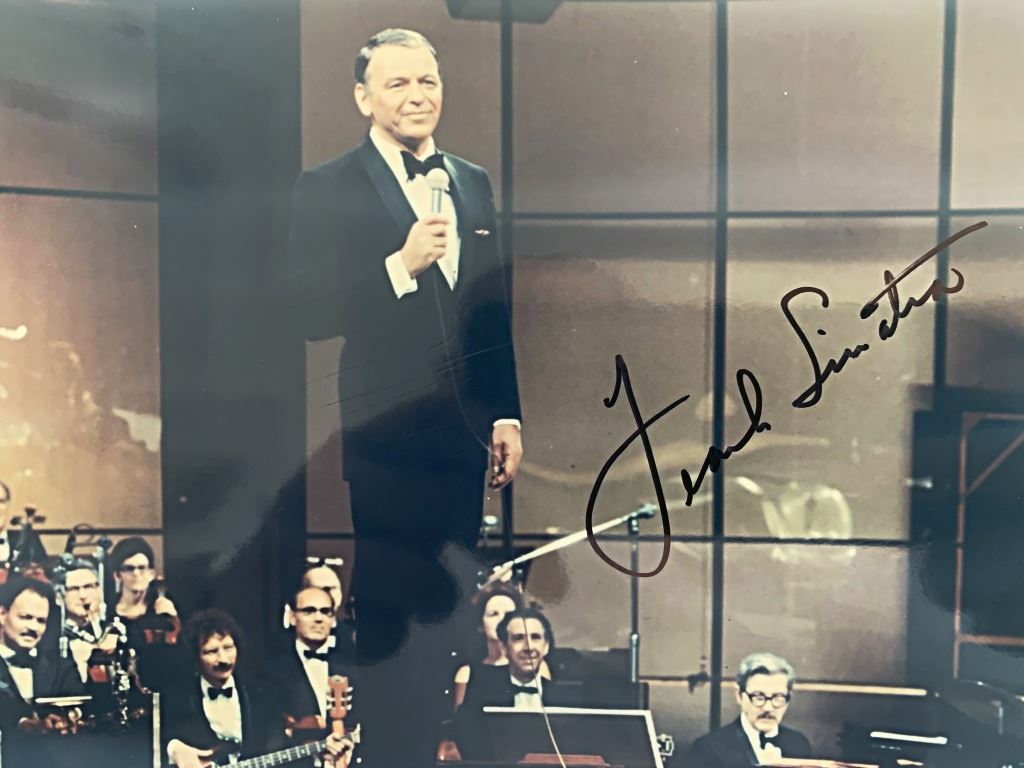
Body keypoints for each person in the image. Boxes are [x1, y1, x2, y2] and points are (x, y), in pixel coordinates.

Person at [287, 27, 524, 768]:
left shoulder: (472, 181)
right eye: (398, 84)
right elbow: (307, 311)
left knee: (448, 625)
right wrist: (399, 265)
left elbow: (490, 310)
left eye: (427, 81)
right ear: (363, 98)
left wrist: (507, 412)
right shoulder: (327, 186)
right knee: (391, 622)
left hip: (462, 440)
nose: (417, 97)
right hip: (386, 442)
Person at [454, 607, 575, 760]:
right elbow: (466, 738)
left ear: (546, 646)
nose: (529, 647)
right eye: (518, 638)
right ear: (504, 648)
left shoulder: (566, 696)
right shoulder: (481, 688)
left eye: (535, 637)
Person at [267, 586, 359, 766]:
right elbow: (270, 735)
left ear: (333, 620)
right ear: (292, 617)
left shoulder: (352, 665)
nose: (318, 618)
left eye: (325, 612)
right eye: (309, 611)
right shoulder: (272, 671)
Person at [0, 576, 85, 761]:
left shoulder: (61, 667)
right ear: (2, 614)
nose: (33, 627)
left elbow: (81, 701)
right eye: (25, 617)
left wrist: (70, 716)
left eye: (41, 621)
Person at [688, 652, 812, 767]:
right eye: (758, 697)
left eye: (778, 697)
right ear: (739, 695)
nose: (768, 707)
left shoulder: (799, 744)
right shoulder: (708, 749)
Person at [107, 536, 182, 690]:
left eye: (142, 568)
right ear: (117, 575)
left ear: (151, 573)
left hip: (157, 686)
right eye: (129, 568)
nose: (136, 574)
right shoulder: (107, 611)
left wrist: (174, 619)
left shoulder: (162, 610)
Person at [301, 561, 355, 662]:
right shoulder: (288, 638)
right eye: (320, 590)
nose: (327, 595)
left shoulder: (353, 637)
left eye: (332, 589)